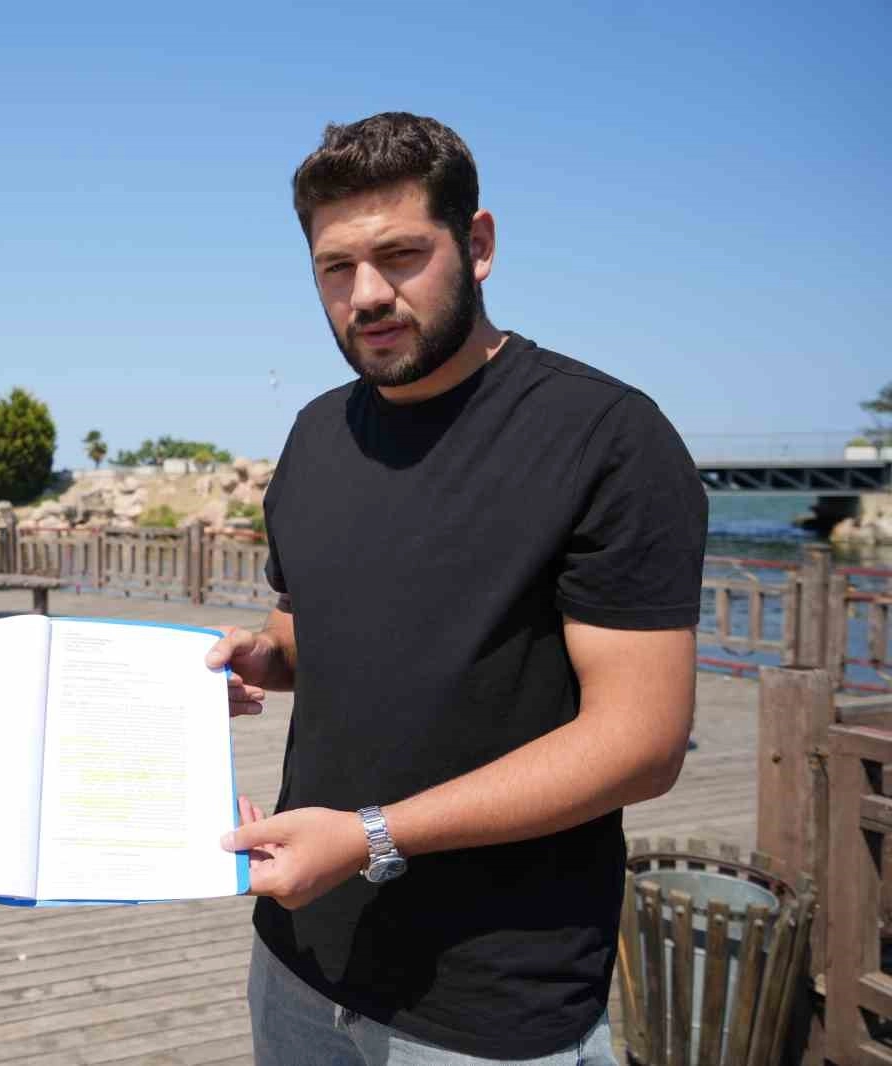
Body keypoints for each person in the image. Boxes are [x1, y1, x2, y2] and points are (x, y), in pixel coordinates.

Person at [209, 113, 707, 1064]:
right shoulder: (316, 436)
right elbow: (305, 628)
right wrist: (261, 658)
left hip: (489, 1007)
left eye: (401, 255)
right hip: (297, 964)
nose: (367, 294)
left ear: (477, 245)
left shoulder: (607, 438)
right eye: (335, 267)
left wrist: (370, 837)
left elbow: (641, 745)